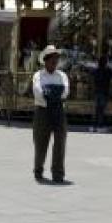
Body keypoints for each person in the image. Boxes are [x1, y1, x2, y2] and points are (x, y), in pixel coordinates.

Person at [31, 45, 69, 184]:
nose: (55, 62)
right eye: (52, 59)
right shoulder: (38, 75)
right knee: (41, 142)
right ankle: (38, 169)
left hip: (59, 110)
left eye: (56, 59)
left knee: (60, 141)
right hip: (43, 111)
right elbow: (38, 92)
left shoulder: (62, 76)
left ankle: (58, 173)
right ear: (46, 61)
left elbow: (65, 92)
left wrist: (50, 94)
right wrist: (54, 95)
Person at [89, 55, 112, 133]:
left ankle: (94, 126)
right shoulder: (108, 70)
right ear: (106, 62)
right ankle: (100, 126)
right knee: (101, 110)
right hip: (104, 91)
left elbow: (91, 73)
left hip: (97, 91)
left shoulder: (96, 70)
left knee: (96, 109)